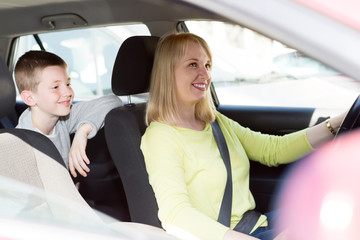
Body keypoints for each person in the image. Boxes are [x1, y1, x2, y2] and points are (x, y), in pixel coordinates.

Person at [140, 32, 345, 240]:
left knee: (335, 206)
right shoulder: (160, 137)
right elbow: (176, 215)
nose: (205, 74)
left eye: (208, 65)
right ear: (167, 73)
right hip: (238, 236)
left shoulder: (216, 122)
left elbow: (272, 149)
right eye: (193, 64)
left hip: (258, 224)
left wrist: (335, 124)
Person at [14, 50, 122, 178]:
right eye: (55, 87)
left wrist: (83, 131)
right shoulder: (20, 146)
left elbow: (113, 101)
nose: (68, 92)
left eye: (68, 84)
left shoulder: (63, 120)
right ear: (30, 98)